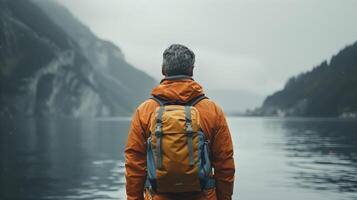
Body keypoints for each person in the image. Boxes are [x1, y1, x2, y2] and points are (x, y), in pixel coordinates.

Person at [125, 44, 235, 200]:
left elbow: (134, 165)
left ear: (164, 70)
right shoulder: (212, 111)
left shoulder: (144, 111)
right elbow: (225, 165)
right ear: (192, 70)